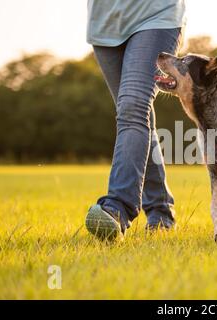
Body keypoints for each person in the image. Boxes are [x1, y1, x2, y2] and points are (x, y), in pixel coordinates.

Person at [84, 0, 186, 241]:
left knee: (133, 107)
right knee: (137, 114)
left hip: (156, 15)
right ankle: (161, 212)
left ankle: (117, 207)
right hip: (105, 24)